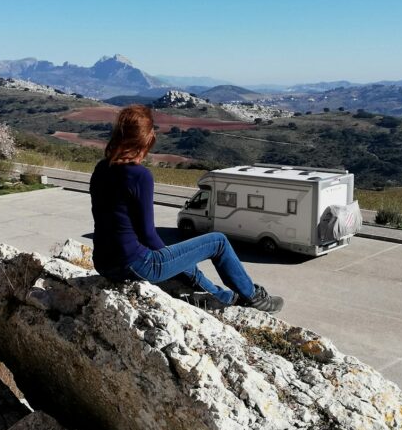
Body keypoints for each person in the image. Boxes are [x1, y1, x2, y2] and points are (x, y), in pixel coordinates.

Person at [89, 104, 284, 313]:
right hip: (136, 265)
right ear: (144, 142)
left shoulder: (101, 168)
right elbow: (147, 234)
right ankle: (253, 297)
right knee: (218, 241)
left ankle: (225, 297)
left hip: (103, 262)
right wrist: (168, 256)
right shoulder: (139, 176)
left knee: (183, 259)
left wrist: (174, 258)